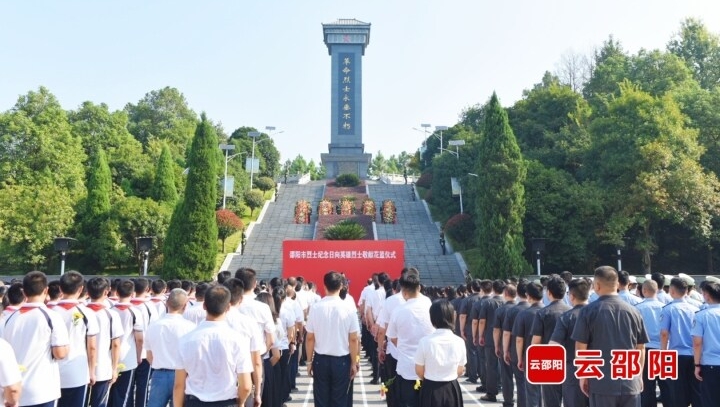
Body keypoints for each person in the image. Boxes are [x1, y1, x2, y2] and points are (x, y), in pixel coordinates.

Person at [571, 266, 648, 407]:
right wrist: (639, 375)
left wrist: (583, 376)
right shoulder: (634, 312)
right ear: (617, 284)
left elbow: (581, 348)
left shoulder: (588, 312)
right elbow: (641, 348)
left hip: (601, 383)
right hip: (630, 381)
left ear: (597, 286)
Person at [174, 285, 253, 406]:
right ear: (228, 307)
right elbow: (246, 386)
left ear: (204, 305)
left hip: (195, 402)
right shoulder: (239, 340)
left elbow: (179, 385)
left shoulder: (186, 340)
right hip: (227, 402)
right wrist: (240, 402)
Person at [2, 271, 69, 407]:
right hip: (42, 390)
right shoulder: (52, 317)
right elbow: (60, 353)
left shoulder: (8, 318)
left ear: (24, 292)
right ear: (46, 291)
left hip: (14, 388)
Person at [305, 271, 360, 407]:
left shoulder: (316, 308)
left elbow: (310, 338)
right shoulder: (348, 309)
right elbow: (354, 339)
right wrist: (354, 362)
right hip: (341, 361)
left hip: (320, 360)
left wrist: (309, 361)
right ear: (341, 286)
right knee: (340, 400)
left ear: (324, 286)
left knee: (321, 400)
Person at [51, 271, 100, 407]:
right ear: (81, 289)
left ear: (60, 288)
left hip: (52, 373)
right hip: (77, 372)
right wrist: (92, 371)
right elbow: (92, 346)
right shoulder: (87, 313)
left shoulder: (49, 312)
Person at [386, 269, 434, 407]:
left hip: (406, 367)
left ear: (403, 291)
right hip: (427, 367)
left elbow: (392, 337)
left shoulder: (398, 311)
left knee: (407, 402)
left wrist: (404, 345)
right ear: (419, 287)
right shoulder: (429, 305)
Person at [144, 288, 195, 407]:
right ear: (185, 305)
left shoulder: (153, 325)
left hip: (159, 374)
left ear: (167, 303)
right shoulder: (190, 327)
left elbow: (149, 356)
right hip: (182, 375)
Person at [414, 299, 466, 407]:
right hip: (451, 388)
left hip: (430, 388)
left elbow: (419, 371)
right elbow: (460, 370)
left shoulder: (425, 342)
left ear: (432, 319)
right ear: (452, 317)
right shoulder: (459, 341)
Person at [549, 278, 591, 407]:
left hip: (573, 369)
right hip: (600, 368)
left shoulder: (567, 317)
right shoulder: (598, 313)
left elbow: (553, 346)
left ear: (571, 296)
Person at [660, 277, 701, 407]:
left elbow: (664, 333)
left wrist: (663, 352)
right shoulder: (696, 308)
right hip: (695, 355)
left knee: (677, 391)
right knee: (696, 390)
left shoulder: (668, 309)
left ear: (672, 291)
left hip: (676, 355)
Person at [530, 276, 570, 407]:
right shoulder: (572, 312)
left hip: (549, 362)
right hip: (571, 361)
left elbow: (535, 342)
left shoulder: (543, 313)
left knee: (551, 401)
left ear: (549, 293)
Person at [85, 277, 124, 407]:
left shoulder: (80, 312)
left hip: (81, 368)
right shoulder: (111, 315)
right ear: (106, 292)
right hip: (102, 367)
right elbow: (116, 344)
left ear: (87, 292)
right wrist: (114, 368)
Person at [109, 279, 144, 407]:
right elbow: (139, 339)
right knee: (124, 395)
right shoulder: (135, 312)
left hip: (111, 357)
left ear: (116, 292)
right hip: (127, 359)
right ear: (133, 294)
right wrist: (139, 355)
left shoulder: (110, 311)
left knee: (110, 395)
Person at [634, 280, 667, 407]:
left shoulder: (638, 308)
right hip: (663, 349)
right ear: (657, 290)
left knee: (647, 386)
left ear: (644, 291)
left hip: (645, 349)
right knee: (666, 385)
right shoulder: (665, 307)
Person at [513, 281, 544, 407]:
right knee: (546, 392)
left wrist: (520, 358)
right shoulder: (549, 312)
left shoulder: (524, 314)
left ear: (528, 295)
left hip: (532, 356)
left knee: (532, 393)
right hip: (551, 356)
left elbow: (519, 339)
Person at [476, 279, 506, 402]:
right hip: (505, 338)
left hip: (490, 337)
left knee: (491, 365)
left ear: (494, 289)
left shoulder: (488, 303)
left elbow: (482, 321)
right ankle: (504, 390)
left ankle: (491, 392)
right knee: (505, 366)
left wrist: (480, 335)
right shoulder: (507, 302)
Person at [692, 281, 720, 406]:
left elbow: (697, 343)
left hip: (710, 364)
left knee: (710, 400)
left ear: (707, 295)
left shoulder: (701, 316)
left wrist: (697, 365)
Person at [503, 280, 530, 407]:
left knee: (521, 383)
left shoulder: (513, 311)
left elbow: (507, 333)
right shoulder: (539, 310)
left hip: (518, 351)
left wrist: (505, 350)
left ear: (518, 293)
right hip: (538, 352)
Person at [493, 283, 516, 407]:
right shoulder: (521, 308)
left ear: (505, 294)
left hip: (505, 345)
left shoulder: (500, 310)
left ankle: (509, 400)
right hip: (521, 346)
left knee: (506, 376)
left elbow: (497, 330)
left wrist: (497, 346)